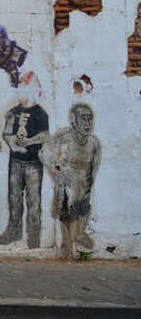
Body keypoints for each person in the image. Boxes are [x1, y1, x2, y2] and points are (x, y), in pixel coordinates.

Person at [0, 72, 49, 248]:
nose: (21, 90)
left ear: (34, 89)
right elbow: (7, 133)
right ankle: (14, 231)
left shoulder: (40, 113)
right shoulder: (13, 112)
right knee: (14, 199)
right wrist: (14, 144)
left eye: (25, 86)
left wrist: (29, 141)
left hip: (33, 163)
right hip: (16, 163)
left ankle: (34, 237)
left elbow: (45, 135)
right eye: (20, 86)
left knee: (33, 202)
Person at [41, 103, 101, 259]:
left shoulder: (94, 143)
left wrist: (87, 189)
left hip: (83, 193)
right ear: (73, 119)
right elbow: (45, 154)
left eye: (90, 118)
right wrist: (58, 173)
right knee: (68, 222)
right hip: (65, 191)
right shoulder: (63, 137)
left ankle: (76, 248)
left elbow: (93, 170)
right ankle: (68, 250)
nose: (87, 123)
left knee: (79, 228)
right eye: (83, 118)